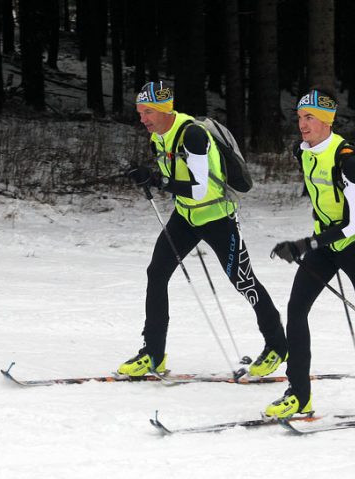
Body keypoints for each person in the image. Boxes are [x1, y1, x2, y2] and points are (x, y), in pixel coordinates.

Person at [119, 81, 288, 378]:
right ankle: (153, 353)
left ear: (164, 109)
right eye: (140, 112)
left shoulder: (193, 135)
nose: (143, 118)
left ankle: (277, 345)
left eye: (148, 112)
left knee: (244, 281)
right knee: (156, 274)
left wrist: (158, 181)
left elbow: (199, 190)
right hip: (185, 217)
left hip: (217, 218)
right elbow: (177, 183)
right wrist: (148, 177)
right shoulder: (158, 137)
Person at [265, 88, 355, 419]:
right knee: (296, 310)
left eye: (310, 118)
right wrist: (312, 242)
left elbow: (351, 225)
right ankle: (299, 395)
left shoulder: (349, 161)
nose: (302, 124)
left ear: (327, 121)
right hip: (324, 246)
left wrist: (303, 245)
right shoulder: (302, 151)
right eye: (300, 117)